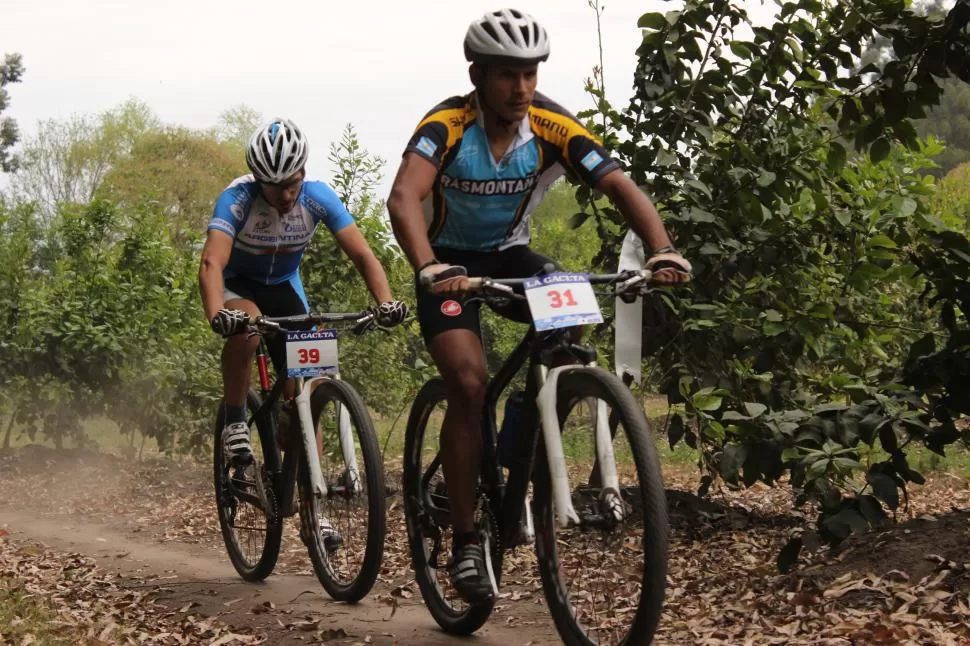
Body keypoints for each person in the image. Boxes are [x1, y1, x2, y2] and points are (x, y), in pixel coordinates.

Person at [387, 8, 691, 603]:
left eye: (530, 73)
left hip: (510, 254)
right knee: (468, 383)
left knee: (574, 318)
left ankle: (514, 445)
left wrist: (663, 249)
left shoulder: (551, 124)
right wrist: (428, 268)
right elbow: (403, 197)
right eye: (507, 74)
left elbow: (619, 185)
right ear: (477, 74)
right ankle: (468, 541)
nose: (522, 88)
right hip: (447, 264)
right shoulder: (446, 125)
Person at [199, 117, 407, 472]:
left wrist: (385, 302)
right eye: (273, 187)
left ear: (303, 171)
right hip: (240, 283)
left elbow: (362, 255)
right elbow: (211, 263)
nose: (285, 195)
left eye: (292, 183)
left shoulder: (318, 196)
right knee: (246, 330)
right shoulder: (237, 199)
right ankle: (235, 421)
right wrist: (218, 314)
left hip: (284, 286)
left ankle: (314, 497)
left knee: (310, 387)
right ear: (257, 179)